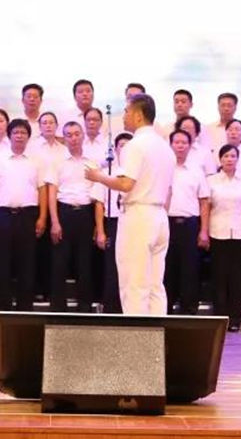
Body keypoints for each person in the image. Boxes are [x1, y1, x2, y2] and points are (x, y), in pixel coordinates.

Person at [84, 94, 175, 317]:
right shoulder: (165, 147)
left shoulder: (135, 145)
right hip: (159, 215)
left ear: (138, 115)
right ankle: (157, 332)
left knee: (133, 282)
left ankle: (138, 335)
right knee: (155, 284)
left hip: (138, 214)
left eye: (126, 111)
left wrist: (98, 176)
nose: (123, 116)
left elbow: (126, 183)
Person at [0, 119, 47, 311]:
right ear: (9, 135)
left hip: (28, 216)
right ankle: (1, 309)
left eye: (23, 133)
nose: (19, 136)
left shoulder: (37, 161)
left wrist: (42, 218)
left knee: (27, 263)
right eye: (16, 132)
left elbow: (42, 190)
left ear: (28, 137)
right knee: (1, 263)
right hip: (2, 215)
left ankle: (24, 309)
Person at [46, 121, 97, 312]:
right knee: (59, 263)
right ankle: (58, 308)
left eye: (77, 134)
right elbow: (52, 193)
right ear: (64, 138)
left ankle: (85, 307)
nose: (73, 138)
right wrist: (55, 222)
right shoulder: (57, 162)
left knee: (85, 263)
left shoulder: (92, 163)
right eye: (69, 135)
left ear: (83, 135)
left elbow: (97, 194)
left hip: (85, 213)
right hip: (64, 212)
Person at [205, 144, 241, 331]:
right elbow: (207, 207)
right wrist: (204, 231)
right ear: (220, 159)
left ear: (237, 159)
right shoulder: (211, 180)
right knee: (219, 277)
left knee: (237, 277)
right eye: (226, 156)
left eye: (233, 156)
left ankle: (235, 319)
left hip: (240, 232)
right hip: (218, 231)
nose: (229, 159)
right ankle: (220, 317)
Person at [165, 128, 210, 316]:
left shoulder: (196, 171)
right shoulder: (163, 169)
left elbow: (204, 201)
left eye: (184, 143)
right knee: (167, 270)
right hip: (166, 224)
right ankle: (165, 312)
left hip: (190, 225)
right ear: (170, 145)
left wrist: (204, 230)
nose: (180, 146)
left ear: (190, 146)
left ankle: (189, 313)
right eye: (177, 142)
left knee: (190, 271)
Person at [91, 133, 130, 314]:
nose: (125, 148)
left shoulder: (137, 171)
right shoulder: (107, 172)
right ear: (115, 149)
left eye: (128, 145)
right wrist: (100, 231)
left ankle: (128, 307)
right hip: (113, 222)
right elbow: (99, 203)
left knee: (130, 266)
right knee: (112, 267)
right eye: (121, 145)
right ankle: (111, 308)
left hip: (132, 222)